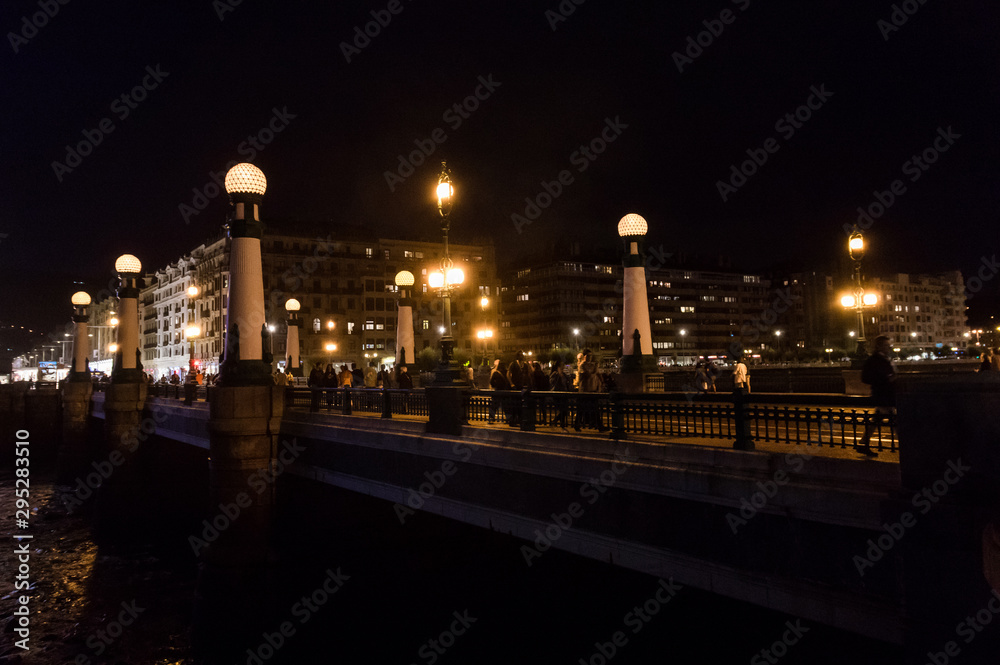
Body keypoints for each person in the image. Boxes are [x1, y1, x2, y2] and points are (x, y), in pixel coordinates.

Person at [856, 335, 895, 457]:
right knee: (895, 421)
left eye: (889, 345)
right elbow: (865, 378)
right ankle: (907, 447)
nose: (888, 347)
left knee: (877, 420)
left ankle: (863, 443)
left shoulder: (884, 359)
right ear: (879, 346)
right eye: (886, 345)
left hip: (885, 394)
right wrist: (885, 379)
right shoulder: (874, 360)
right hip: (883, 395)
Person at [574, 350, 608, 432]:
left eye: (591, 356)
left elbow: (597, 375)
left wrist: (601, 383)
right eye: (588, 356)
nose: (590, 357)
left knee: (595, 409)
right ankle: (577, 425)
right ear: (584, 356)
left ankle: (599, 426)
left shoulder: (592, 365)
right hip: (584, 391)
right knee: (582, 409)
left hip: (592, 390)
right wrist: (595, 370)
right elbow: (588, 375)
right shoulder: (582, 365)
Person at [549, 361, 570, 430]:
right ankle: (556, 421)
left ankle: (561, 423)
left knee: (564, 409)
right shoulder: (555, 374)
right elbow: (553, 382)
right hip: (558, 394)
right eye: (562, 365)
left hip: (564, 393)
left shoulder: (563, 374)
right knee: (563, 410)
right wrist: (559, 375)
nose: (563, 366)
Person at [489, 360, 510, 424]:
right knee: (506, 406)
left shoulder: (496, 372)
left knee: (494, 406)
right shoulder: (507, 372)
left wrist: (495, 386)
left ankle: (491, 418)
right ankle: (508, 418)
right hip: (505, 391)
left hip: (497, 391)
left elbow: (491, 382)